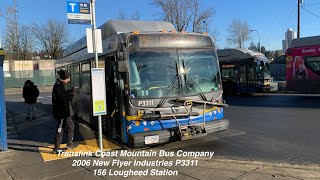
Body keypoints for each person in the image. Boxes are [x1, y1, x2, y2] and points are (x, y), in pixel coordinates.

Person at [52, 70, 77, 153]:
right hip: (62, 112)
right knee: (60, 129)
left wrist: (69, 91)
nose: (69, 80)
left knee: (69, 126)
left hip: (64, 112)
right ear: (64, 78)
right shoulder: (58, 87)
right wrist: (71, 94)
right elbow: (63, 100)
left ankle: (69, 143)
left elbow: (63, 95)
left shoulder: (60, 86)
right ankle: (57, 148)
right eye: (68, 78)